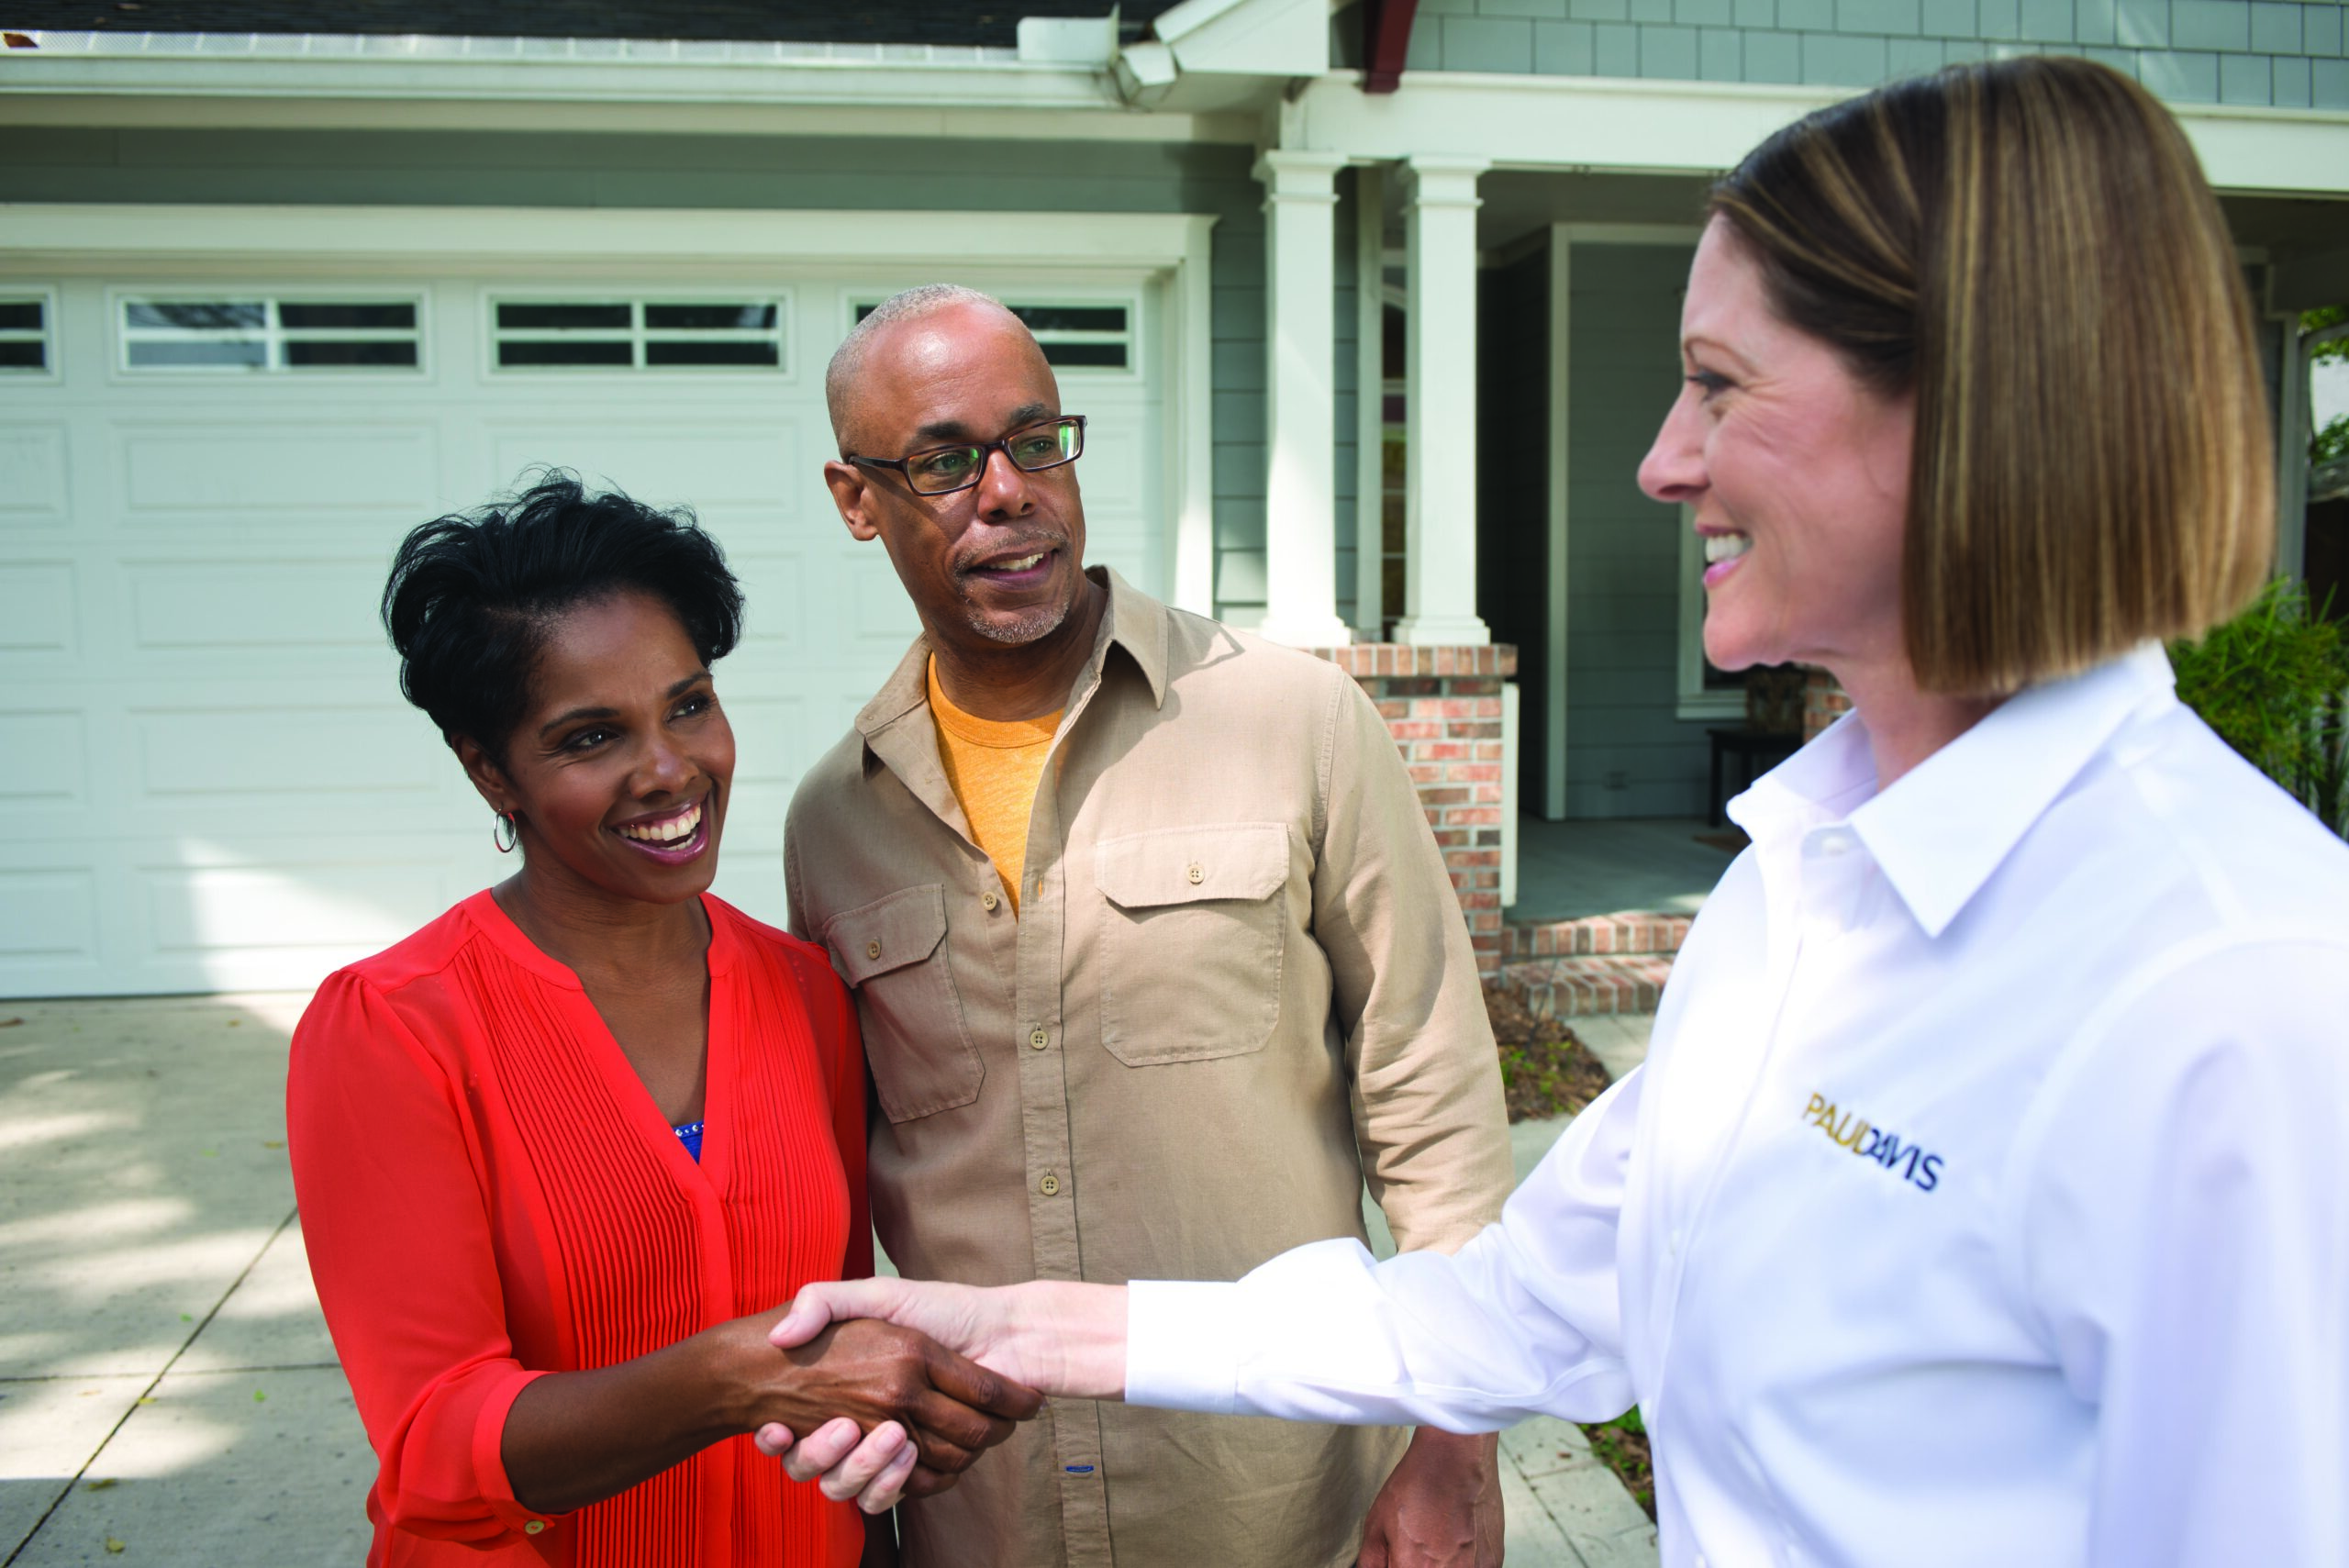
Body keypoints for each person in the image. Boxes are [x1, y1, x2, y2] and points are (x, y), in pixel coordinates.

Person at [763, 58, 2349, 1568]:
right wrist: (1040, 1323)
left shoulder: (2239, 991)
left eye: (1718, 387)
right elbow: (1517, 1304)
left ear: (1974, 411)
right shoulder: (1802, 895)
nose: (1661, 460)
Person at [775, 286, 1518, 1568]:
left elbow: (1432, 1097)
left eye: (1037, 439)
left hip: (1277, 1500)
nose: (1007, 491)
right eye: (947, 460)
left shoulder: (1293, 721)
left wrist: (1456, 1450)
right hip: (992, 1518)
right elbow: (837, 1182)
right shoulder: (835, 824)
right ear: (857, 501)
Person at [286, 474, 1039, 1568]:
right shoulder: (396, 1027)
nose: (669, 769)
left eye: (688, 704)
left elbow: (826, 1339)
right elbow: (434, 1442)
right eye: (591, 737)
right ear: (489, 768)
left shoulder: (804, 992)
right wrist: (737, 1377)